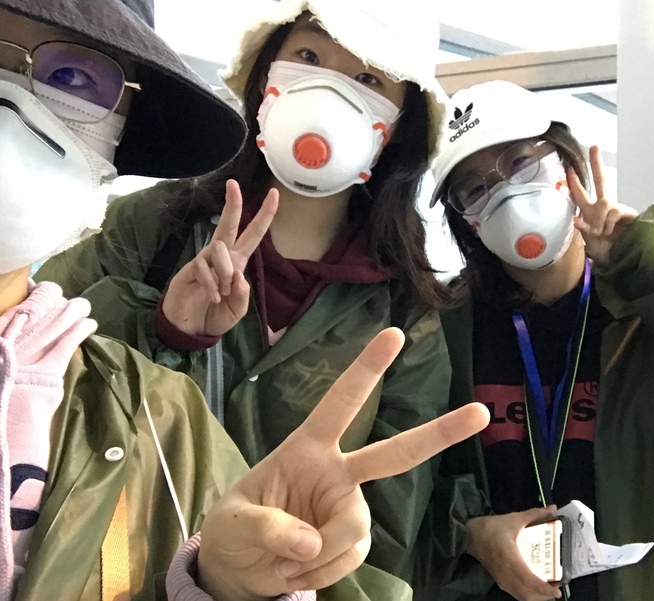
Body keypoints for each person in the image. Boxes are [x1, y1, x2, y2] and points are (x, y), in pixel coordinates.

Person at [0, 1, 490, 600]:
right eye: (309, 56)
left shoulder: (406, 311)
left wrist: (276, 577)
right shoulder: (150, 228)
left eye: (368, 78)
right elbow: (40, 377)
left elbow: (383, 543)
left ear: (401, 122)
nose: (330, 92)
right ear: (265, 77)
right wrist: (165, 332)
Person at [415, 80, 654, 601]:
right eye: (474, 188)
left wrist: (649, 255)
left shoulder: (647, 311)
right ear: (468, 223)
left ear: (566, 164)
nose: (504, 191)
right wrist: (472, 535)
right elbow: (405, 493)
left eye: (520, 163)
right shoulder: (442, 328)